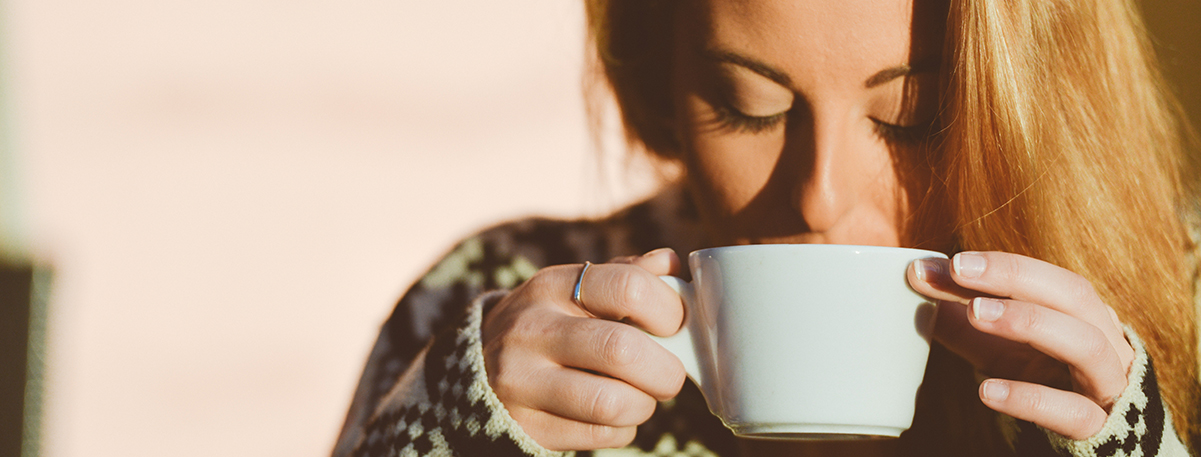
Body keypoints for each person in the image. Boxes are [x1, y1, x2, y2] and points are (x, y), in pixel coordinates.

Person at [331, 0, 1201, 455]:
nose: (818, 197)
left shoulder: (1179, 300)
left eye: (913, 117)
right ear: (662, 82)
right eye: (747, 106)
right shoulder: (498, 292)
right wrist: (444, 439)